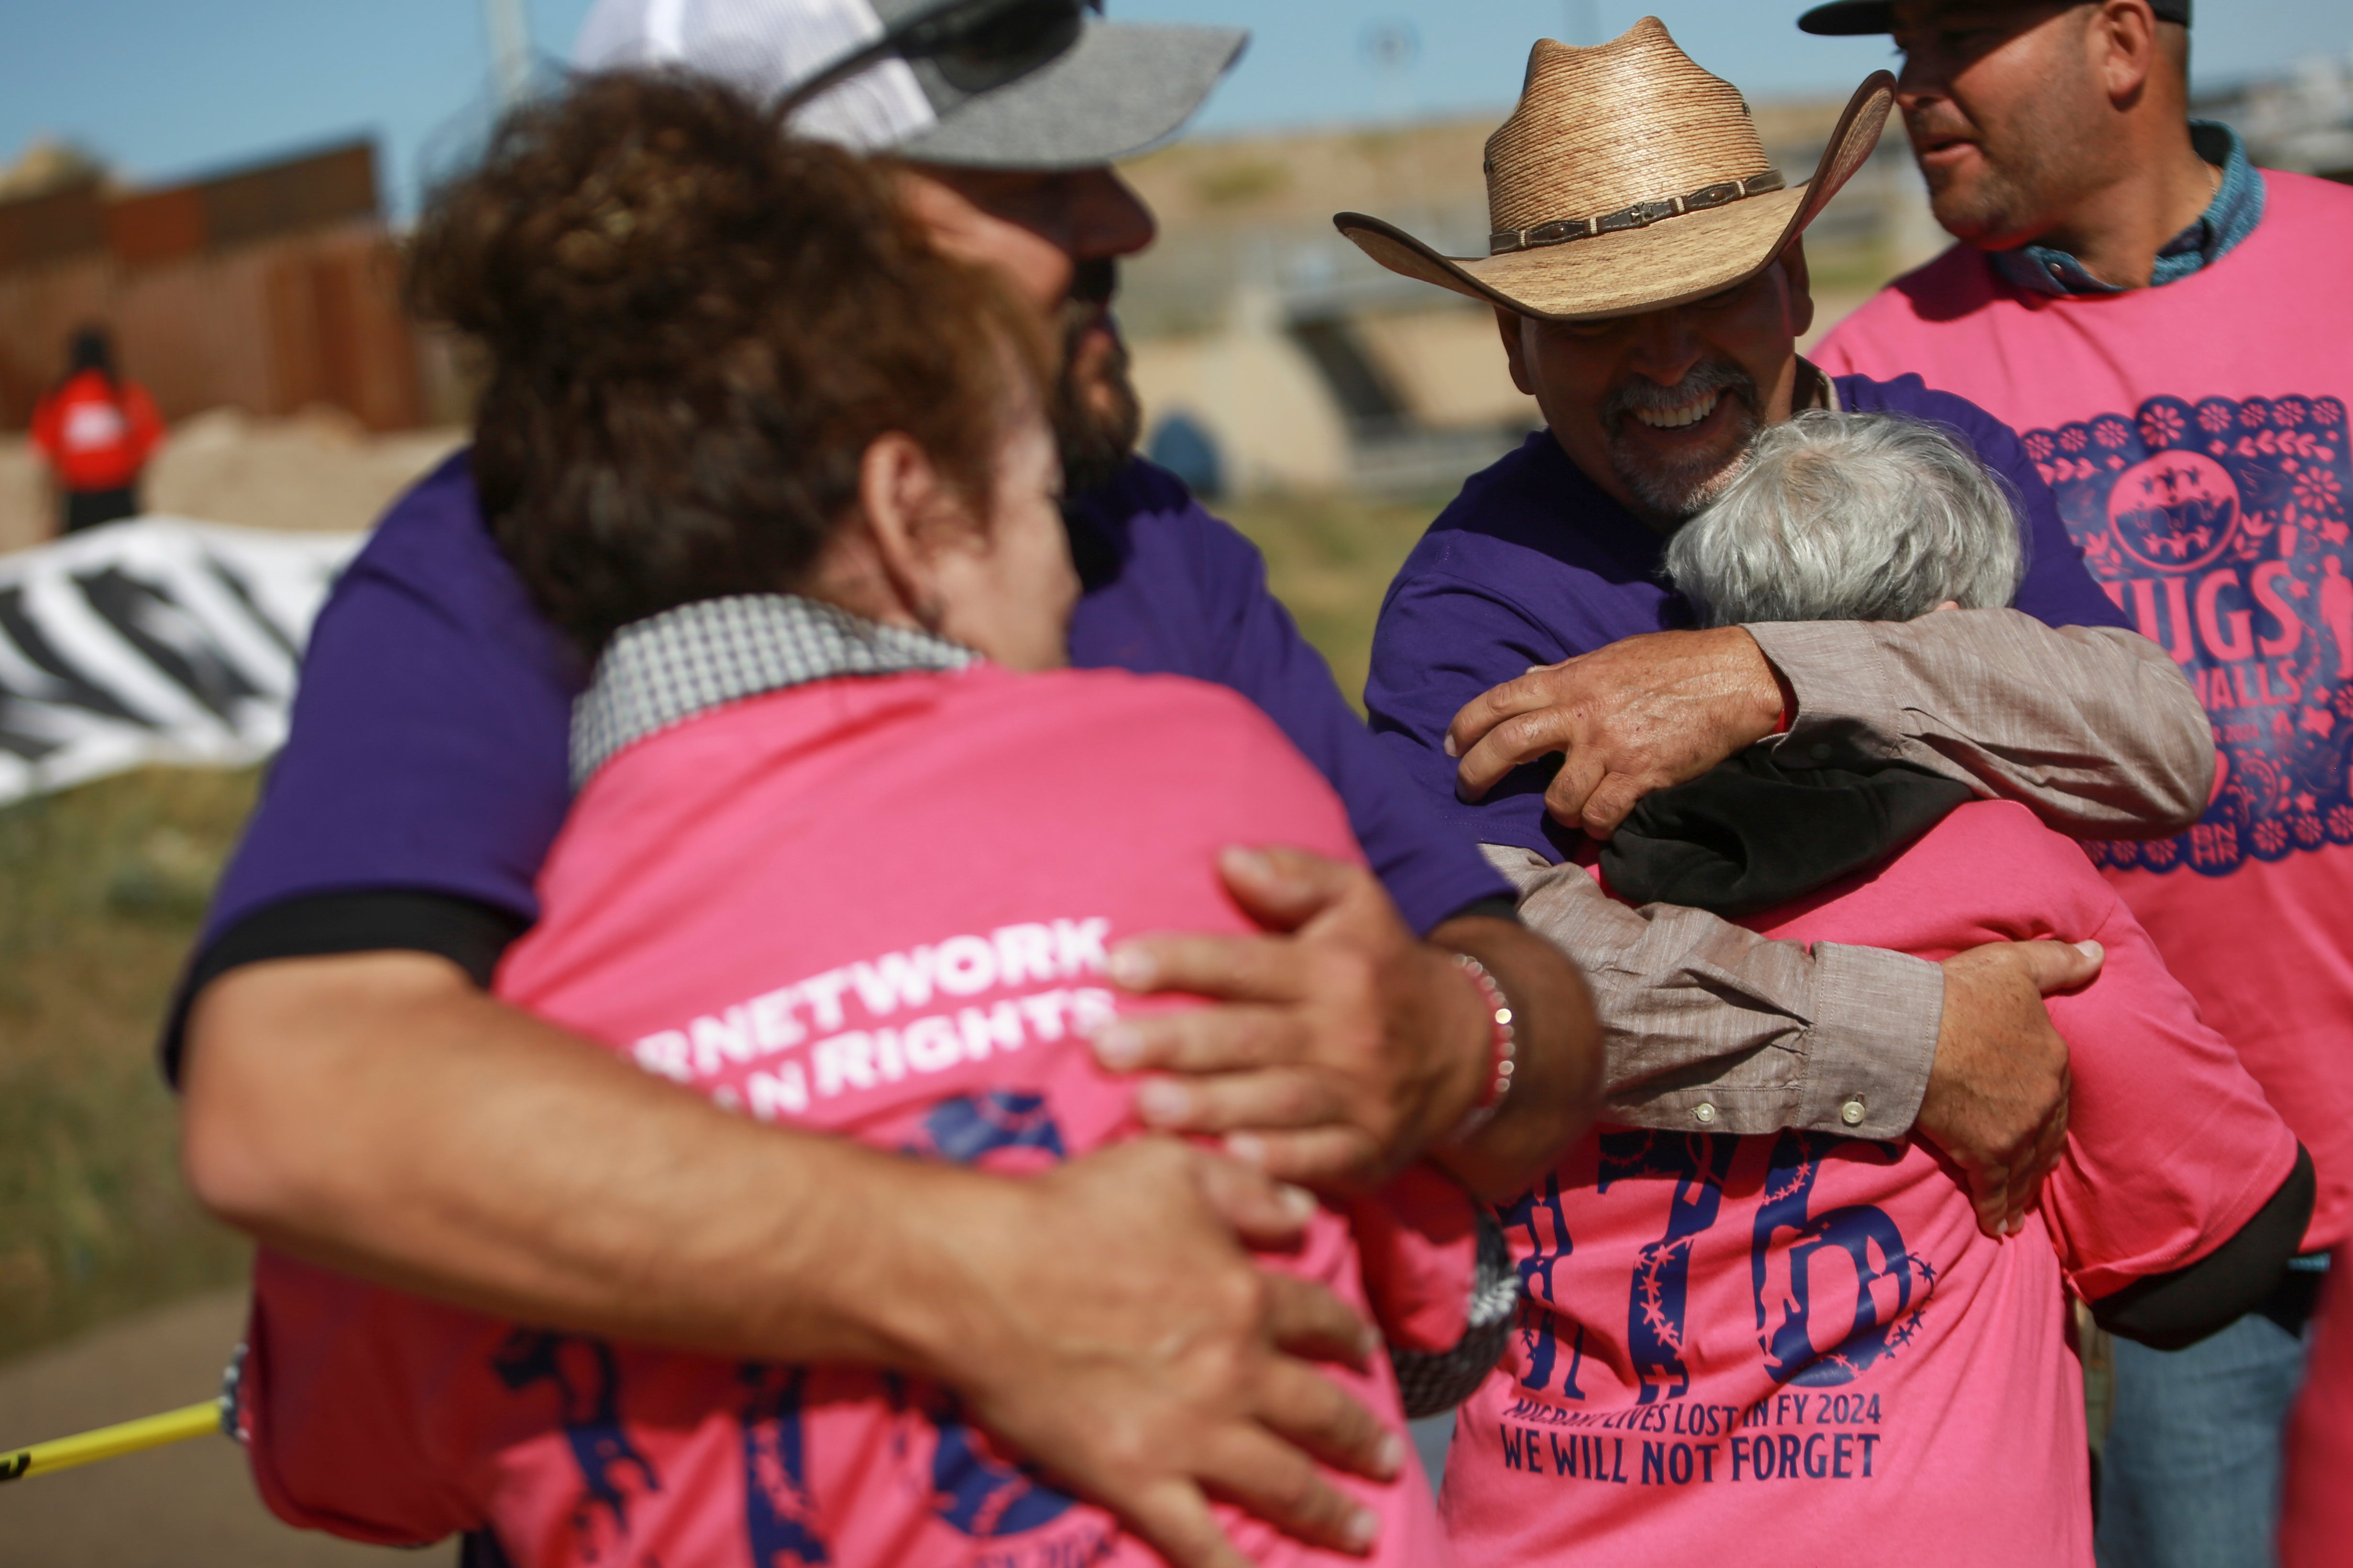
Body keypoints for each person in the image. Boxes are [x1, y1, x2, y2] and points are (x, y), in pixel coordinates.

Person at [174, 2, 2124, 1556]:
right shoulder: (520, 547)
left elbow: (1504, 991)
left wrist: (1447, 1054)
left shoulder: (1152, 556)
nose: (1125, 222)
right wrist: (986, 1272)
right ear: (803, 228)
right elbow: (300, 1096)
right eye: (1034, 174)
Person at [238, 76, 1552, 1566]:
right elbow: (1437, 1303)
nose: (1077, 567)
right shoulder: (1203, 774)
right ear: (910, 504)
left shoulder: (467, 1013)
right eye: (1046, 497)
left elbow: (345, 1467)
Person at [1338, 18, 2209, 1223]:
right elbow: (1462, 955)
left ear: (1793, 282)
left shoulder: (1943, 457)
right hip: (1641, 1348)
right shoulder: (1475, 585)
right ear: (1512, 346)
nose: (1667, 357)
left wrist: (1767, 675)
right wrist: (1906, 1038)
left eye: (1714, 291)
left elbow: (2156, 747)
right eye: (1596, 317)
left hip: (1995, 1292)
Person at [1440, 408, 2310, 1565]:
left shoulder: (1540, 891)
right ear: (1956, 634)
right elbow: (2212, 1252)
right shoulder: (2001, 878)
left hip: (1542, 1521)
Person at [1798, 0, 2353, 1558]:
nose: (1912, 83)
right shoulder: (1868, 383)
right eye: (1899, 43)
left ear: (2123, 41)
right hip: (2169, 1207)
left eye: (1957, 32)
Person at [29, 324, 163, 534]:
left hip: (80, 499)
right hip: (120, 495)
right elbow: (151, 445)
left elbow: (43, 454)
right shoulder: (126, 394)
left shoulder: (58, 398)